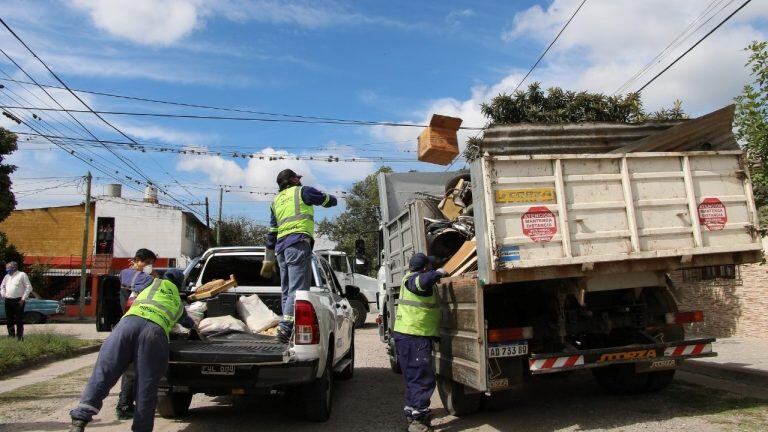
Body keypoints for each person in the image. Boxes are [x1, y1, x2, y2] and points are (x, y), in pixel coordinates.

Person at [69, 269, 195, 432]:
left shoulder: (150, 282)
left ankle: (80, 419)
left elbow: (124, 274)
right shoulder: (177, 301)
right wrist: (196, 325)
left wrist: (143, 271)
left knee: (104, 372)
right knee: (146, 386)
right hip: (154, 334)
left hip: (127, 326)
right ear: (179, 285)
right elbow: (187, 322)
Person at [261, 169, 337, 343]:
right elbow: (327, 201)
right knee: (297, 290)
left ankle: (287, 326)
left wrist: (268, 259)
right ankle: (285, 330)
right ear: (293, 180)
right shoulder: (303, 191)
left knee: (287, 290)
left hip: (281, 250)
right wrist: (332, 199)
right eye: (297, 177)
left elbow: (272, 232)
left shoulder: (276, 201)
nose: (299, 180)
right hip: (297, 243)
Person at [393, 253, 446, 432]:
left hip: (407, 336)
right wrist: (438, 273)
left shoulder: (407, 278)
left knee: (412, 377)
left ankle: (411, 412)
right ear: (425, 268)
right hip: (414, 337)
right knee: (422, 378)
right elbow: (422, 282)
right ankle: (418, 422)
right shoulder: (414, 281)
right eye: (429, 267)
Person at [115, 249, 158, 421]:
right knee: (132, 369)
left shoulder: (127, 273)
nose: (150, 266)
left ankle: (128, 404)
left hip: (131, 325)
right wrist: (154, 276)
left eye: (151, 263)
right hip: (134, 326)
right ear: (137, 261)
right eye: (147, 262)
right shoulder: (135, 276)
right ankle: (124, 406)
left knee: (135, 368)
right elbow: (146, 284)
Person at [0, 261, 33, 341]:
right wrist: (3, 294)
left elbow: (29, 287)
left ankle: (19, 337)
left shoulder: (22, 275)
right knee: (9, 319)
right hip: (8, 301)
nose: (6, 269)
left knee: (19, 320)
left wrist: (23, 299)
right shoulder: (7, 276)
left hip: (18, 301)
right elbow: (2, 286)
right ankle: (11, 336)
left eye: (8, 268)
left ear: (14, 268)